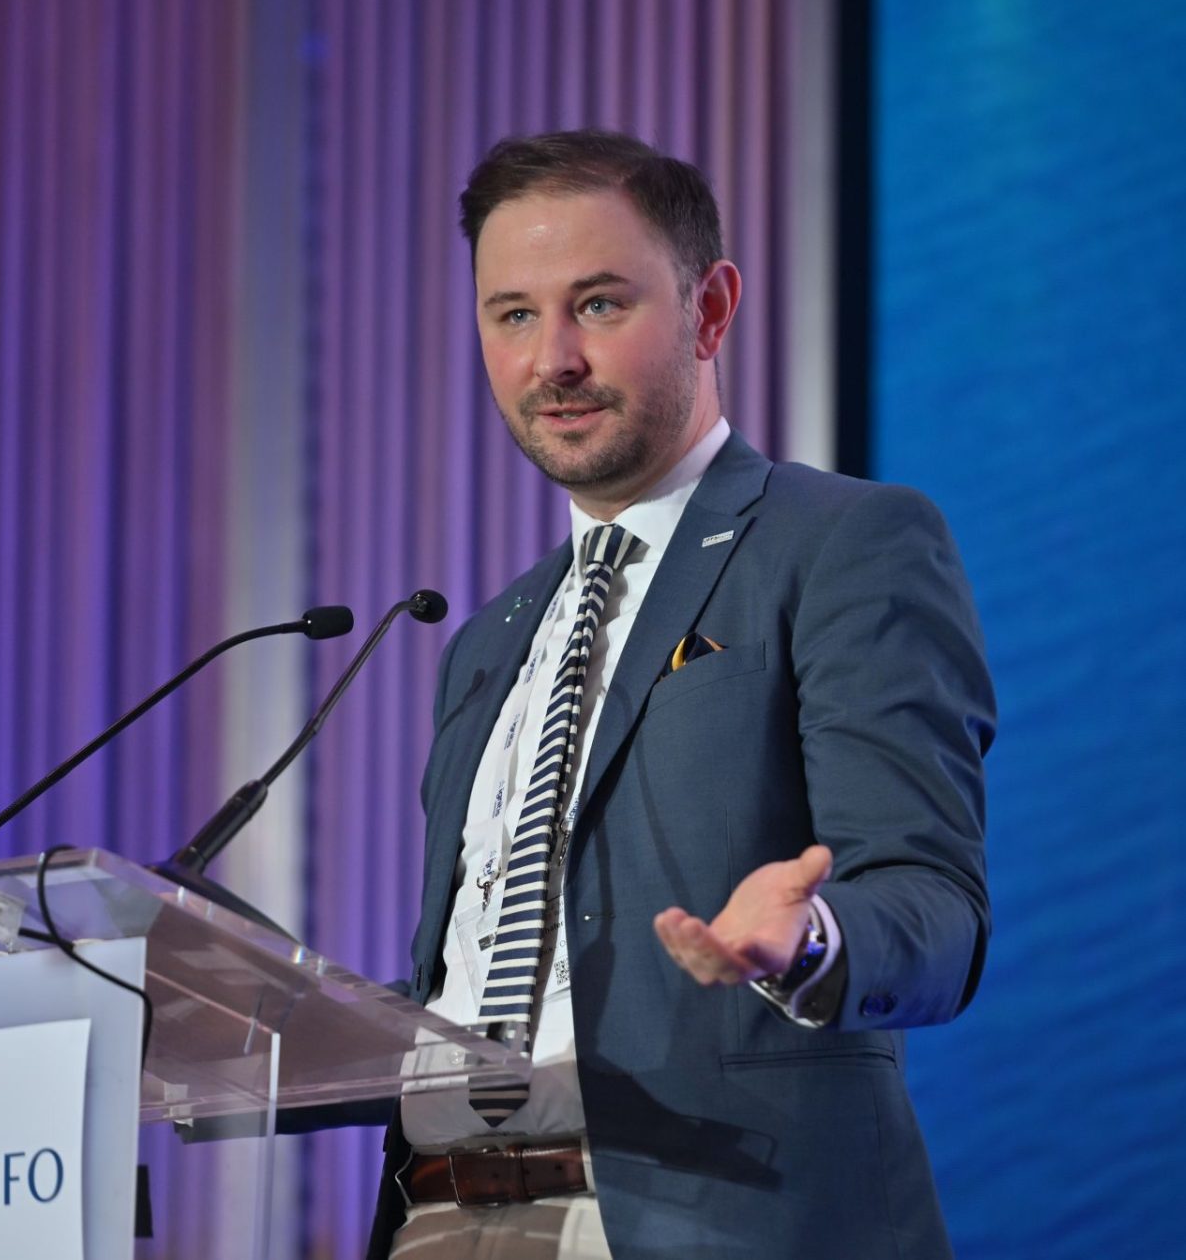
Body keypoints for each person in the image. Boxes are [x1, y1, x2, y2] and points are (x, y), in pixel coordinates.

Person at [367, 130, 995, 1260]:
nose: (551, 356)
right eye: (513, 315)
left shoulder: (844, 544)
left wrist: (809, 938)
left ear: (710, 309)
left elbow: (936, 909)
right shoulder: (487, 644)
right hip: (445, 1216)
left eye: (598, 304)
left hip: (707, 1218)